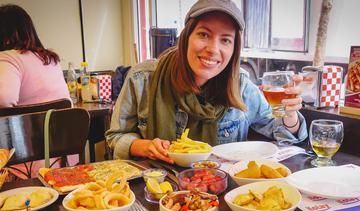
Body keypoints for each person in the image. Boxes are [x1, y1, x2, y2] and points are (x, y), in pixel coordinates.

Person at [106, 0, 307, 164]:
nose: (213, 49)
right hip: (155, 191)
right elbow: (116, 137)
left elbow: (282, 134)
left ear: (234, 49)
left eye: (225, 40)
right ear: (186, 37)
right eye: (204, 34)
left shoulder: (242, 87)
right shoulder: (143, 78)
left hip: (221, 194)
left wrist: (290, 114)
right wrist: (146, 146)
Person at [0, 4, 69, 107]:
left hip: (29, 123)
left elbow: (3, 101)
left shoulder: (8, 58)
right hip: (63, 122)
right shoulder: (50, 58)